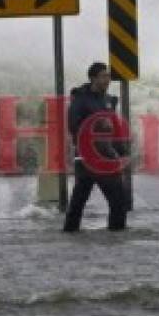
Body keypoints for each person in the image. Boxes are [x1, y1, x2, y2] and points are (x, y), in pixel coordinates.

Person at [63, 62, 129, 232]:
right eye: (103, 76)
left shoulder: (109, 101)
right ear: (93, 78)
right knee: (116, 199)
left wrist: (121, 151)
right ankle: (115, 234)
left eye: (108, 76)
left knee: (84, 200)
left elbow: (113, 130)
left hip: (106, 157)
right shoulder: (80, 100)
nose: (107, 79)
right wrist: (99, 129)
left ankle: (73, 233)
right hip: (88, 159)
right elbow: (73, 127)